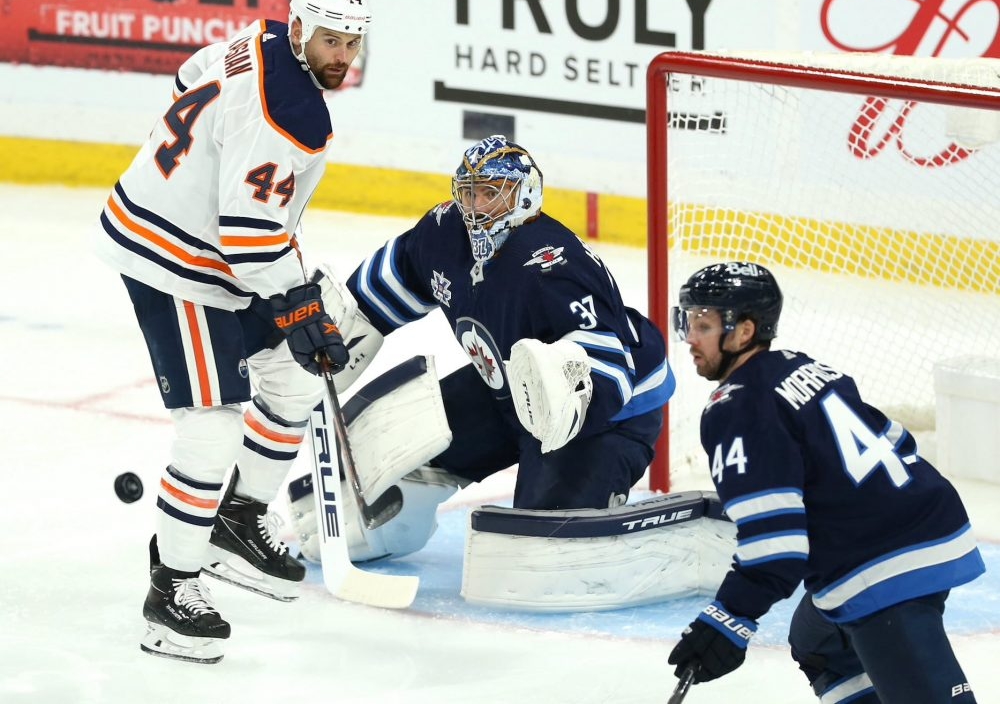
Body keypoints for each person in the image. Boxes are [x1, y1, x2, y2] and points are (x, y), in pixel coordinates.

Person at [94, 0, 371, 664]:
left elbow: (189, 73)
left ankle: (237, 522)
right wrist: (301, 303)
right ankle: (173, 590)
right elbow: (249, 239)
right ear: (301, 28)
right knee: (214, 427)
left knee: (295, 383)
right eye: (332, 40)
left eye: (353, 42)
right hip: (178, 263)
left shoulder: (262, 39)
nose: (343, 55)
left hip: (217, 252)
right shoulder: (293, 112)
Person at [666, 262, 985, 703]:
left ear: (744, 332)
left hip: (883, 564)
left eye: (703, 325)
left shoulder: (737, 407)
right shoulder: (805, 367)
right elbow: (895, 438)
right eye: (687, 322)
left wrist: (728, 619)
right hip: (927, 520)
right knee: (821, 639)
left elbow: (777, 550)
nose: (689, 337)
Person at [337, 134, 675, 511]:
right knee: (400, 442)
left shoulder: (551, 267)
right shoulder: (445, 232)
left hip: (606, 414)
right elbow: (385, 285)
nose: (477, 207)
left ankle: (587, 490)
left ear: (525, 195)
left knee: (541, 541)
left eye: (492, 192)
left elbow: (610, 370)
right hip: (508, 388)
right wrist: (333, 331)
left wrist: (554, 438)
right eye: (469, 193)